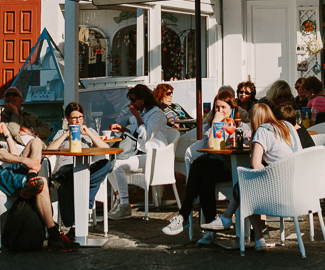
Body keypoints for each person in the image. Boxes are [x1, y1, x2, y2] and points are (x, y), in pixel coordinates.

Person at [0, 99, 78, 251]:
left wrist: (7, 134)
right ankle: (53, 234)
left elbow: (12, 154)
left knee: (36, 142)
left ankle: (30, 178)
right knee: (41, 184)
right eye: (0, 114)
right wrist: (27, 161)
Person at [205, 102, 300, 251]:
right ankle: (233, 222)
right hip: (297, 186)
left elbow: (256, 164)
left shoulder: (262, 131)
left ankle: (230, 220)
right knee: (249, 184)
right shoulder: (288, 127)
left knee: (249, 182)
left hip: (280, 191)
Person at [161, 88, 248, 244]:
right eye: (217, 107)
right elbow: (210, 147)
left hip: (234, 169)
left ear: (232, 110)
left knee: (200, 164)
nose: (220, 111)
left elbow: (247, 146)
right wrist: (215, 124)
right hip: (214, 167)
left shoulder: (242, 127)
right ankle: (208, 230)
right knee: (205, 176)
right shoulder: (210, 127)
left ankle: (184, 215)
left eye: (223, 108)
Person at [46, 102, 114, 236]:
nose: (77, 120)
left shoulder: (90, 132)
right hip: (67, 168)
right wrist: (66, 135)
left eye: (80, 117)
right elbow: (48, 152)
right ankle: (75, 222)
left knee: (107, 164)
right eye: (74, 118)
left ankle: (81, 206)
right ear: (67, 119)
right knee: (67, 175)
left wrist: (88, 133)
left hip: (85, 169)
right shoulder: (61, 132)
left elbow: (106, 149)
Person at [109, 83, 169, 219]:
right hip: (142, 153)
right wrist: (124, 129)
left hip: (154, 156)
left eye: (133, 100)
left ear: (142, 99)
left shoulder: (156, 113)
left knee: (117, 165)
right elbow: (137, 133)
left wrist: (136, 116)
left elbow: (146, 135)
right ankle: (121, 199)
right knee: (108, 164)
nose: (131, 103)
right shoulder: (143, 111)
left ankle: (125, 205)